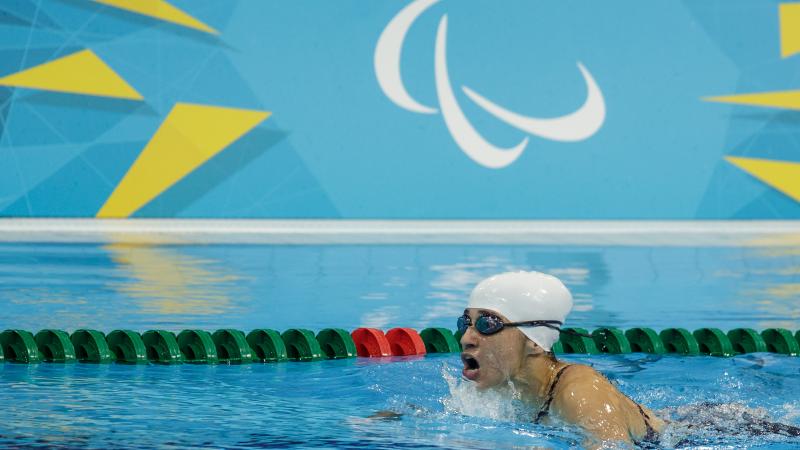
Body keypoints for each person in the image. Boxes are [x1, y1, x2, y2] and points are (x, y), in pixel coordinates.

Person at [459, 271, 664, 447]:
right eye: (465, 323)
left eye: (487, 324)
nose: (466, 338)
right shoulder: (499, 390)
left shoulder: (580, 393)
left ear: (535, 341)